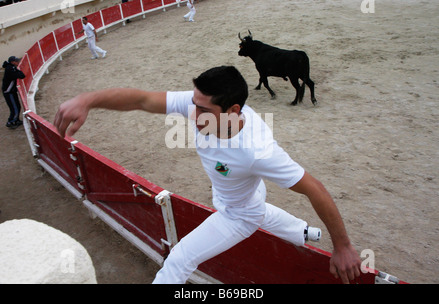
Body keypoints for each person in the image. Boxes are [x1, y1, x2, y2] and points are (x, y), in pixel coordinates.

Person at [53, 66, 362, 284]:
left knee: (179, 259)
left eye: (203, 111)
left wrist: (344, 247)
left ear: (233, 110)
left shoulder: (258, 152)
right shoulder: (202, 104)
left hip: (237, 213)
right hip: (245, 194)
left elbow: (315, 189)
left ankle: (305, 232)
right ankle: (304, 233)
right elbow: (142, 100)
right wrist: (87, 100)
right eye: (193, 105)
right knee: (258, 206)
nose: (193, 114)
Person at [2, 56, 25, 129]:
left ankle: (16, 120)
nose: (18, 62)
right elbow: (21, 75)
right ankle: (10, 122)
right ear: (12, 62)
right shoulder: (10, 69)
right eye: (16, 61)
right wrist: (18, 72)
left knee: (17, 106)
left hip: (11, 91)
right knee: (15, 108)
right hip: (9, 92)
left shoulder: (12, 67)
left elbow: (20, 74)